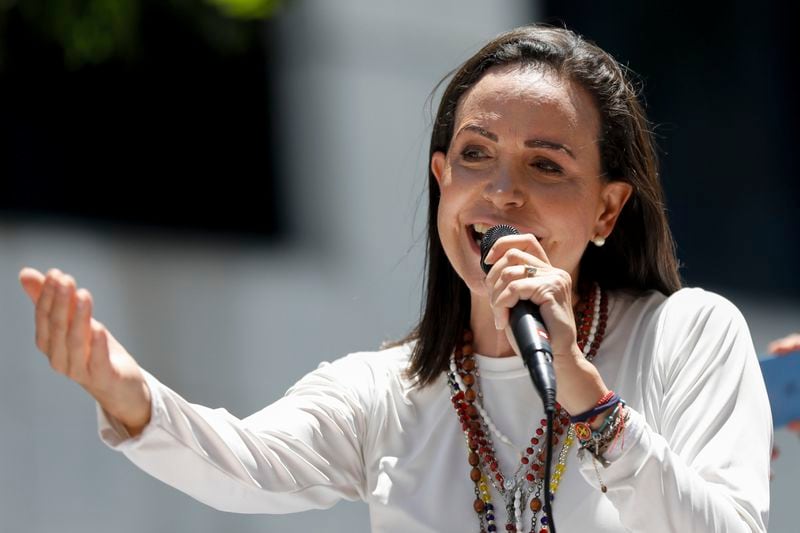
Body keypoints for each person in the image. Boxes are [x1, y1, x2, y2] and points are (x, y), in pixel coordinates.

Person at [18, 25, 771, 533]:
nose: (502, 193)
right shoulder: (387, 392)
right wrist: (128, 394)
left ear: (608, 208)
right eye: (476, 155)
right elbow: (244, 461)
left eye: (546, 165)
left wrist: (581, 385)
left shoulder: (689, 335)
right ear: (441, 180)